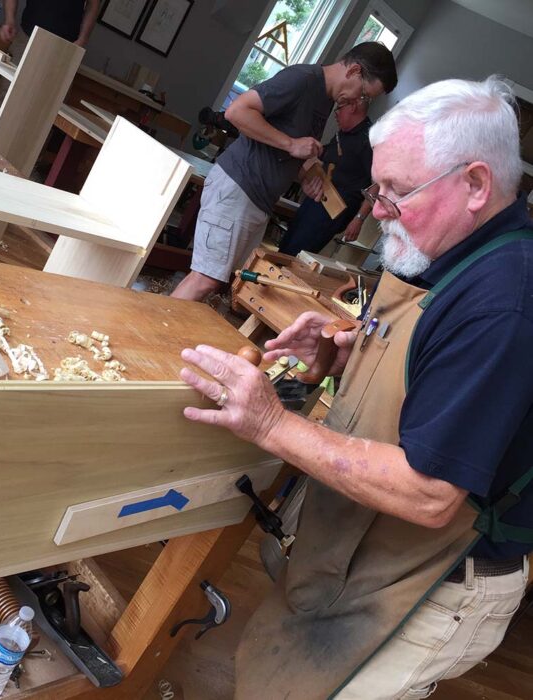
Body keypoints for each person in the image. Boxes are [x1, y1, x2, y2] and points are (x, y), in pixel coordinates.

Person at [179, 76, 533, 699]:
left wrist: (270, 425)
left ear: (477, 184)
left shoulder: (505, 302)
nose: (375, 210)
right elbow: (433, 383)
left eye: (398, 191)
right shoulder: (451, 256)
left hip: (430, 579)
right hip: (361, 551)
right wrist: (346, 359)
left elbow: (430, 492)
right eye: (377, 188)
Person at [170, 42, 397, 302]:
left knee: (233, 282)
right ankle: (155, 339)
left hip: (258, 199)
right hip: (238, 186)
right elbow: (237, 111)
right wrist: (292, 144)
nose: (359, 102)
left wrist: (303, 175)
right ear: (354, 71)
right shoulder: (302, 80)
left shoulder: (324, 100)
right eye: (365, 94)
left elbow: (283, 149)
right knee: (205, 279)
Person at [278, 96, 374, 255]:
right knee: (285, 247)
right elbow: (325, 156)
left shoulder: (369, 139)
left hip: (333, 211)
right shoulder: (343, 134)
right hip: (314, 200)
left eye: (339, 108)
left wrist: (359, 219)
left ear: (353, 107)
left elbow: (377, 184)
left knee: (296, 255)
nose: (336, 113)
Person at [0, 0, 100, 124]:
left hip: (65, 49)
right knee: (4, 98)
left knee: (45, 113)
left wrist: (82, 40)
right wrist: (9, 20)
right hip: (27, 37)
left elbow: (93, 5)